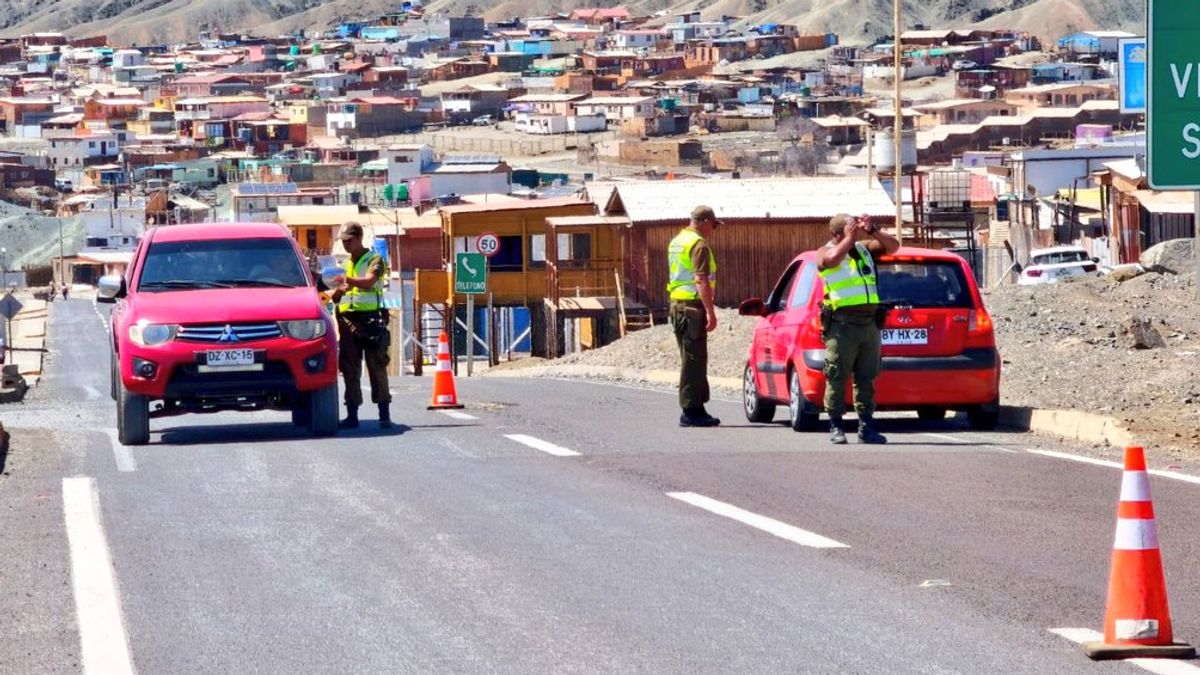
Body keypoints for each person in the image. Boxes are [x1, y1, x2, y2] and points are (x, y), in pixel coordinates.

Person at [818, 213, 900, 445]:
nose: (854, 231)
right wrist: (849, 237)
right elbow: (832, 259)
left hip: (868, 324)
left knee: (867, 377)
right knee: (836, 376)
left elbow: (893, 247)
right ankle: (836, 426)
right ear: (836, 233)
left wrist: (873, 230)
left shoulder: (863, 249)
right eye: (849, 228)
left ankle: (866, 426)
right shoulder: (824, 252)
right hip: (842, 325)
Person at [330, 222, 393, 429]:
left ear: (358, 238)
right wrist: (338, 290)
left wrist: (347, 280)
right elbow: (339, 294)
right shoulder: (346, 264)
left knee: (377, 367)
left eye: (349, 240)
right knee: (349, 368)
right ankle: (352, 415)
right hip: (348, 321)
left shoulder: (374, 259)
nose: (346, 245)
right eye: (343, 241)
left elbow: (368, 282)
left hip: (371, 321)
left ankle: (384, 414)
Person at [667, 205, 722, 428]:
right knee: (693, 360)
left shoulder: (678, 240)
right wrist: (710, 311)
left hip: (678, 304)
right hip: (691, 306)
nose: (713, 230)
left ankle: (697, 407)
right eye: (712, 225)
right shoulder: (698, 244)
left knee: (693, 357)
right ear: (704, 222)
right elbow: (701, 279)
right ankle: (690, 410)